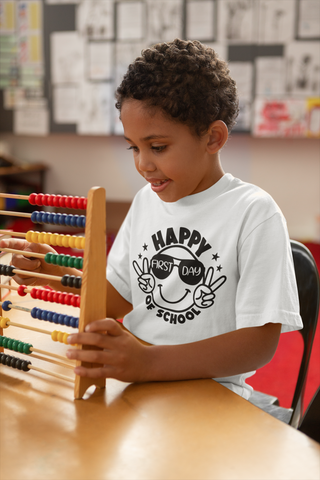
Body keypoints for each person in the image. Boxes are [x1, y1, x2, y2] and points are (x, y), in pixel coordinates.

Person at [0, 39, 302, 399]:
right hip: (136, 383)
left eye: (157, 147)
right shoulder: (147, 201)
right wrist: (49, 266)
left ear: (213, 138)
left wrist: (148, 363)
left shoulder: (253, 212)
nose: (143, 164)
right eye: (134, 147)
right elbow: (114, 301)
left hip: (211, 396)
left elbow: (258, 345)